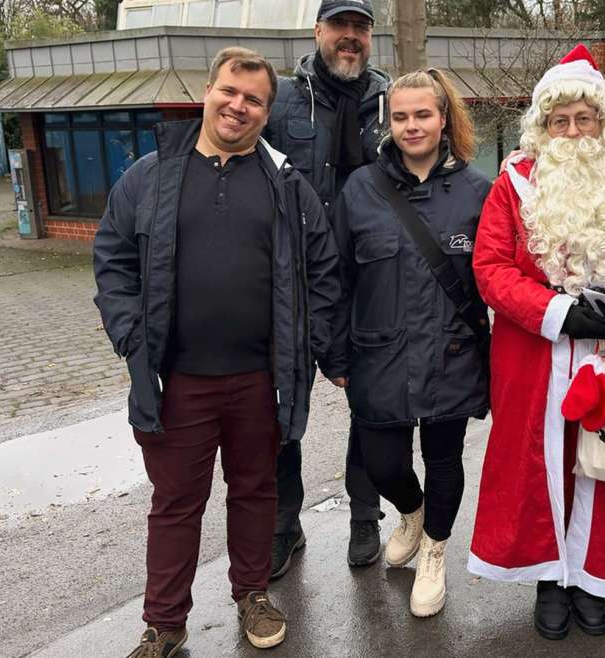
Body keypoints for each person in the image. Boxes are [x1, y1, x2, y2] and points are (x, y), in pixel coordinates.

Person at [93, 47, 340, 656]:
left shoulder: (286, 185)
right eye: (230, 91)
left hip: (262, 378)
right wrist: (132, 339)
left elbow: (323, 273)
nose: (239, 106)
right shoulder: (148, 177)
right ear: (207, 92)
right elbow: (113, 261)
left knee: (256, 490)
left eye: (254, 99)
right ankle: (165, 623)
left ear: (266, 111)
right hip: (177, 381)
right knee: (176, 502)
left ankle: (252, 593)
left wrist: (317, 353)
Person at [467, 45, 605, 640]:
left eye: (584, 119)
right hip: (533, 353)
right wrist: (558, 311)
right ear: (542, 127)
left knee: (602, 464)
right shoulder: (513, 183)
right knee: (536, 466)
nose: (572, 131)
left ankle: (592, 581)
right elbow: (491, 267)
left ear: (603, 124)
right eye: (559, 120)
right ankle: (550, 578)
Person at [319, 68, 491, 617]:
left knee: (444, 461)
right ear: (386, 122)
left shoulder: (477, 192)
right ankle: (411, 512)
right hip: (378, 353)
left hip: (452, 352)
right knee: (383, 462)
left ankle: (435, 551)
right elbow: (337, 277)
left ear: (444, 119)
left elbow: (499, 279)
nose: (411, 126)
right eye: (400, 116)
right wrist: (335, 351)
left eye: (423, 114)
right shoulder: (361, 189)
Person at [261, 0, 391, 575]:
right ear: (318, 32)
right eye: (339, 26)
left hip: (367, 282)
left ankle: (365, 517)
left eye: (359, 28)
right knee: (280, 406)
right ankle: (284, 525)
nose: (349, 38)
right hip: (292, 281)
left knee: (370, 407)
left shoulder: (392, 103)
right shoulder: (283, 100)